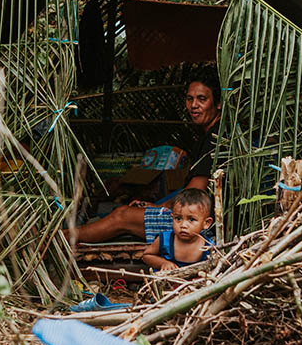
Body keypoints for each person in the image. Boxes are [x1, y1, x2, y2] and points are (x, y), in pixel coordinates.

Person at [69, 76, 221, 244]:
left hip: (194, 223)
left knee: (122, 216)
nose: (193, 105)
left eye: (202, 99)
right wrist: (156, 205)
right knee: (127, 211)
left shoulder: (215, 138)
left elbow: (195, 193)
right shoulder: (208, 135)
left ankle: (62, 237)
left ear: (218, 104)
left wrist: (160, 208)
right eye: (189, 98)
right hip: (189, 215)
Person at [142, 188, 214, 271]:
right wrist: (163, 263)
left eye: (191, 219)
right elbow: (146, 256)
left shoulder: (208, 247)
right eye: (178, 218)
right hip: (166, 282)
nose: (183, 225)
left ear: (206, 223)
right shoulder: (166, 239)